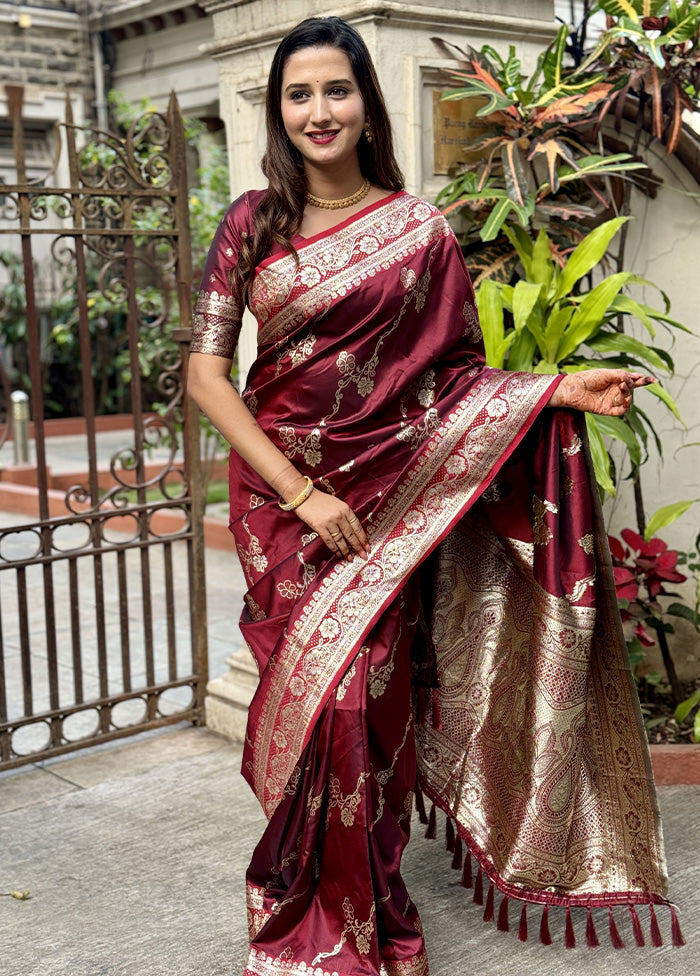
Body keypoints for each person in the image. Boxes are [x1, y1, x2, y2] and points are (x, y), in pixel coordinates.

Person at [187, 16, 680, 976]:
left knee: (360, 703)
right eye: (299, 94)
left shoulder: (418, 231)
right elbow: (208, 376)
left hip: (383, 499)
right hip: (281, 505)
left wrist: (554, 390)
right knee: (307, 707)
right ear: (278, 111)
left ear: (367, 102)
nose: (318, 111)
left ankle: (365, 920)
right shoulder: (253, 221)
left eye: (337, 90)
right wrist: (300, 494)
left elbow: (453, 381)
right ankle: (295, 900)